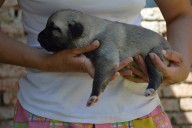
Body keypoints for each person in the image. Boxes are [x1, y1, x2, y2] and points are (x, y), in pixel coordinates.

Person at [0, 0, 191, 127]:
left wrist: (180, 68)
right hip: (46, 113)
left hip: (136, 112)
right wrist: (45, 62)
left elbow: (181, 14)